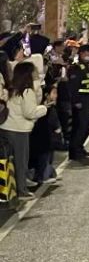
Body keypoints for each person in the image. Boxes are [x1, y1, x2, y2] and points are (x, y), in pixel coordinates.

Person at [0, 61, 50, 200]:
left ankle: (14, 187)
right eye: (34, 71)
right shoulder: (26, 91)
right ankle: (22, 191)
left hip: (5, 128)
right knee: (21, 161)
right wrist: (45, 107)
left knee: (11, 161)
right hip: (18, 131)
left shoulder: (11, 89)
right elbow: (30, 113)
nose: (36, 73)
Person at [67, 44, 89, 165]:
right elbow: (73, 87)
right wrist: (76, 102)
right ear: (80, 53)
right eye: (86, 53)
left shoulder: (88, 67)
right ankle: (76, 153)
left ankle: (79, 148)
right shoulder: (76, 68)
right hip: (81, 102)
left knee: (86, 127)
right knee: (80, 128)